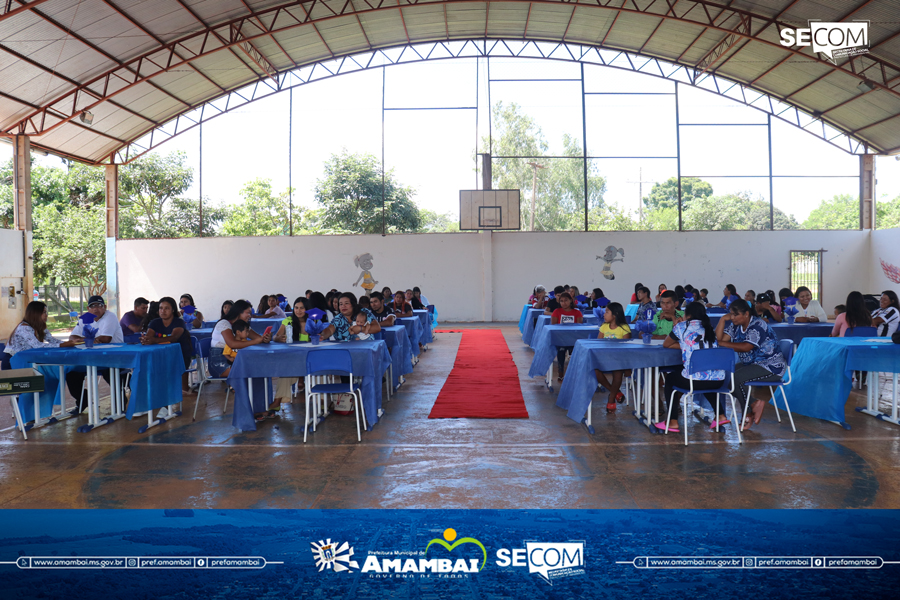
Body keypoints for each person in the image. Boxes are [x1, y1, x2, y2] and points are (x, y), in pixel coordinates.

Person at [715, 299, 787, 430]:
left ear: (746, 314)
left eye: (735, 314)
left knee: (736, 379)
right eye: (731, 314)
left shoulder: (758, 325)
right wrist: (722, 320)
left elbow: (746, 347)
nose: (732, 317)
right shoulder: (736, 325)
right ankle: (754, 404)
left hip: (771, 366)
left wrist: (722, 343)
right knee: (725, 376)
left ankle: (747, 413)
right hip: (752, 364)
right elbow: (719, 340)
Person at [660, 302, 729, 433]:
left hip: (694, 381)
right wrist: (685, 345)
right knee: (705, 377)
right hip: (718, 380)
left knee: (670, 379)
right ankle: (720, 415)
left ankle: (672, 421)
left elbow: (666, 344)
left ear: (687, 315)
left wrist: (681, 337)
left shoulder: (681, 327)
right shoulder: (709, 328)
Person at [64, 295, 125, 413]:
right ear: (88, 309)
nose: (96, 308)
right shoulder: (85, 318)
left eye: (99, 305)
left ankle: (120, 402)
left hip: (114, 357)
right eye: (92, 306)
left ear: (105, 307)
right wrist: (89, 339)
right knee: (72, 373)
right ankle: (83, 400)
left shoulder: (110, 316)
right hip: (91, 358)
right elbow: (72, 337)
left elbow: (106, 339)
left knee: (109, 371)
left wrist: (83, 339)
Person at [209, 300, 271, 389]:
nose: (250, 316)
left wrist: (265, 339)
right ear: (238, 312)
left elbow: (258, 338)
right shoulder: (224, 323)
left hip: (236, 360)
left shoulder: (243, 326)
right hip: (219, 363)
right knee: (250, 371)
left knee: (259, 368)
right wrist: (256, 341)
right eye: (248, 313)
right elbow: (232, 344)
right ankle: (242, 395)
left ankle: (255, 397)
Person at [142, 296, 194, 398]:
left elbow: (173, 338)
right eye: (161, 308)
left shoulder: (178, 322)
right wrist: (145, 340)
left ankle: (171, 396)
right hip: (160, 355)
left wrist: (153, 340)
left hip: (179, 355)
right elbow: (149, 337)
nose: (163, 311)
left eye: (167, 308)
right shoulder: (155, 322)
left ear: (173, 310)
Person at [2, 301, 74, 367]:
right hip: (12, 362)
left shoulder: (39, 326)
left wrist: (70, 343)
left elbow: (52, 340)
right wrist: (63, 345)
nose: (46, 315)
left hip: (25, 360)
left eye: (46, 312)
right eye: (44, 312)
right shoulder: (24, 327)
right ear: (35, 313)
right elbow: (37, 346)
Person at [595, 302, 631, 413]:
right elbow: (598, 344)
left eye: (607, 312)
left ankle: (611, 399)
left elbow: (626, 348)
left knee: (618, 374)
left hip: (618, 359)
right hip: (604, 358)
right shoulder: (604, 326)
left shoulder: (624, 328)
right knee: (595, 370)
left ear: (614, 315)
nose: (604, 314)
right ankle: (615, 392)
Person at [551, 292, 583, 382]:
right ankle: (560, 372)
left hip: (574, 339)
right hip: (561, 339)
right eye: (561, 301)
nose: (563, 303)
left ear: (570, 301)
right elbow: (553, 327)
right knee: (561, 350)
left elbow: (580, 328)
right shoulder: (556, 311)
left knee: (578, 350)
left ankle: (576, 373)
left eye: (566, 300)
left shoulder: (577, 312)